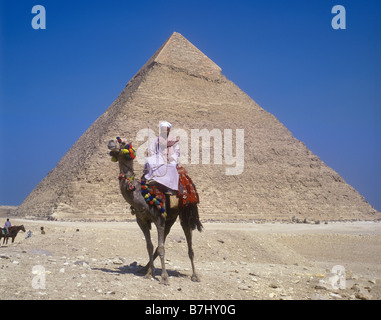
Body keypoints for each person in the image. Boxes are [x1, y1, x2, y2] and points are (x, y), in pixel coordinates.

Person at [144, 121, 180, 193]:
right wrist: (150, 153)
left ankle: (171, 187)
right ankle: (153, 179)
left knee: (172, 166)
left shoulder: (173, 140)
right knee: (149, 161)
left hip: (170, 158)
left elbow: (177, 152)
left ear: (169, 130)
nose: (164, 131)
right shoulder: (156, 140)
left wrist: (172, 158)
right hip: (159, 157)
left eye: (165, 129)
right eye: (162, 130)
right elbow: (152, 149)